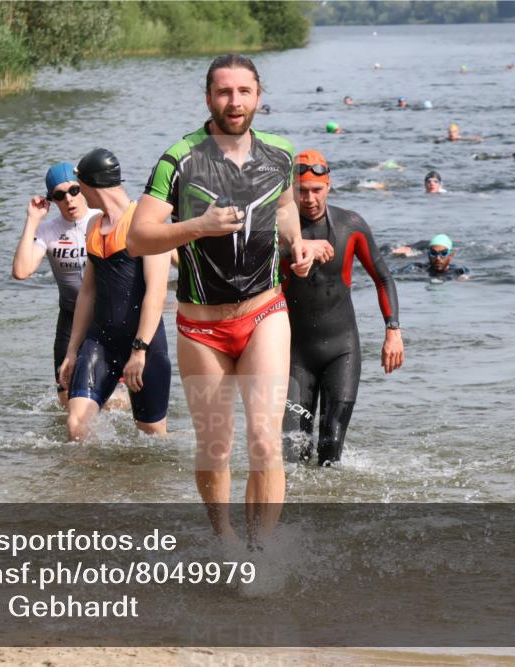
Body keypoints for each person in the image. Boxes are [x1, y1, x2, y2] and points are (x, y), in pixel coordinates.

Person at [128, 54, 320, 546]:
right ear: (208, 97)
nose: (234, 102)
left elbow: (283, 208)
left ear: (258, 95)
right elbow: (139, 238)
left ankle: (262, 550)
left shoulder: (279, 153)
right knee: (216, 448)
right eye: (224, 92)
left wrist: (295, 244)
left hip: (264, 312)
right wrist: (199, 226)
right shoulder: (181, 158)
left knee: (264, 440)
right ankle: (227, 538)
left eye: (244, 92)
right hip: (202, 327)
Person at [283, 150, 403, 465]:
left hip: (341, 350)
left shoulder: (351, 225)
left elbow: (383, 277)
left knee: (330, 444)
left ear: (328, 186)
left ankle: (329, 510)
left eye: (316, 190)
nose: (309, 198)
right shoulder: (276, 230)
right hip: (293, 354)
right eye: (301, 191)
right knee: (293, 451)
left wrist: (393, 331)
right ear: (290, 190)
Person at [57, 148, 172, 440]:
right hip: (101, 342)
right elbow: (87, 293)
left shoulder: (146, 225)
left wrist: (139, 351)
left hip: (144, 345)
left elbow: (156, 294)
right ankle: (89, 485)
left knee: (152, 436)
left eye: (80, 188)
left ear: (92, 186)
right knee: (76, 425)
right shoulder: (94, 225)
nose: (78, 195)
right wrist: (72, 351)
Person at [12, 162, 102, 408]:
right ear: (52, 199)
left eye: (74, 190)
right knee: (66, 401)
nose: (69, 200)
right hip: (70, 319)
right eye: (59, 195)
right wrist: (32, 220)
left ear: (83, 188)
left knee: (116, 400)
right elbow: (21, 271)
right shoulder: (48, 231)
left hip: (106, 318)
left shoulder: (102, 218)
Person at [394, 234, 470, 281]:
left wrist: (464, 278)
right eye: (433, 253)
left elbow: (467, 275)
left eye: (443, 253)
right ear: (428, 254)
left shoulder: (459, 271)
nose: (438, 258)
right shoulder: (417, 267)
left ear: (451, 255)